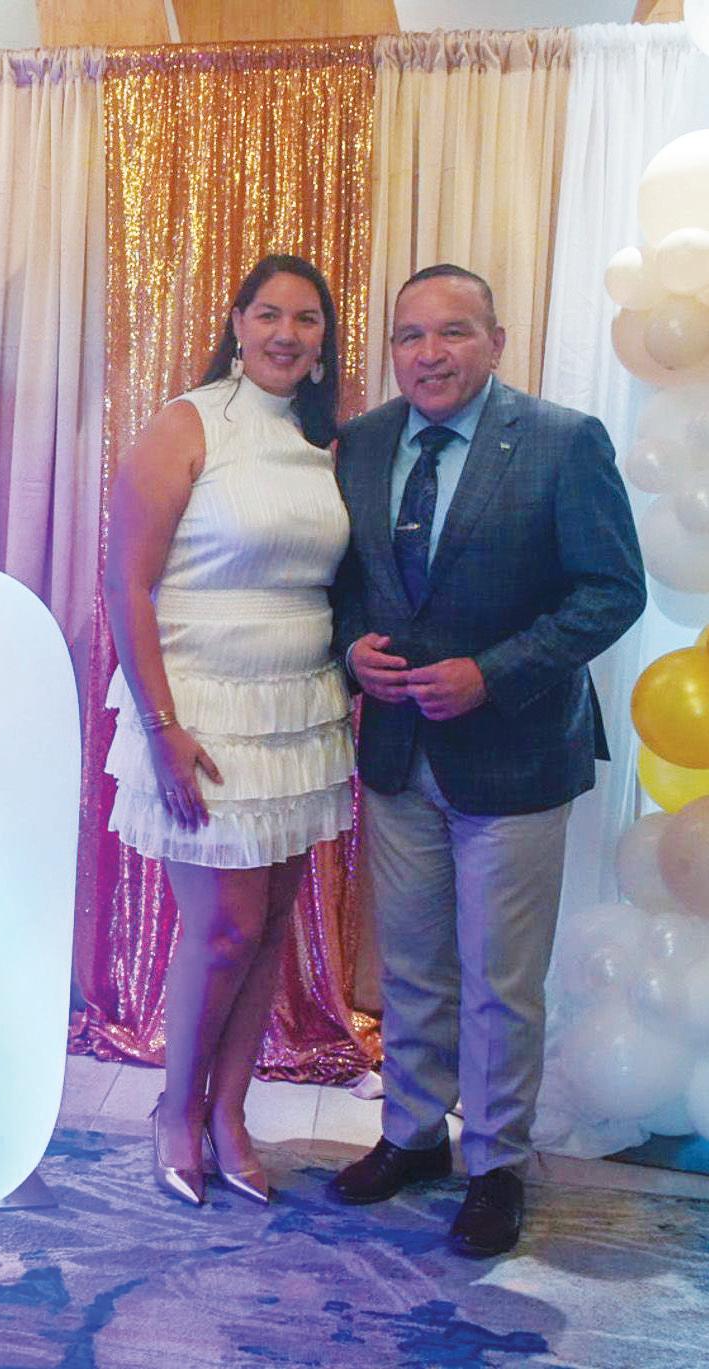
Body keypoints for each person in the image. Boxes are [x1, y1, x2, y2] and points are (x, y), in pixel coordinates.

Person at [327, 264, 645, 1257]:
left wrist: (493, 674)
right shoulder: (363, 442)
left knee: (501, 977)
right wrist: (351, 647)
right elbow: (344, 582)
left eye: (454, 331)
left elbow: (612, 590)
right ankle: (411, 1135)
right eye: (410, 335)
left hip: (515, 754)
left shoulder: (562, 440)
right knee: (413, 964)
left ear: (497, 341)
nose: (429, 353)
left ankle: (496, 1163)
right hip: (397, 751)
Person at [104, 254, 355, 1207]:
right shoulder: (187, 422)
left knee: (268, 928)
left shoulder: (325, 443)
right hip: (202, 708)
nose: (286, 332)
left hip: (296, 708)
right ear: (238, 324)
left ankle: (229, 1113)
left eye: (306, 318)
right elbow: (127, 583)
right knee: (225, 929)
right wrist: (160, 725)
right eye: (268, 314)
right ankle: (174, 1109)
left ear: (323, 340)